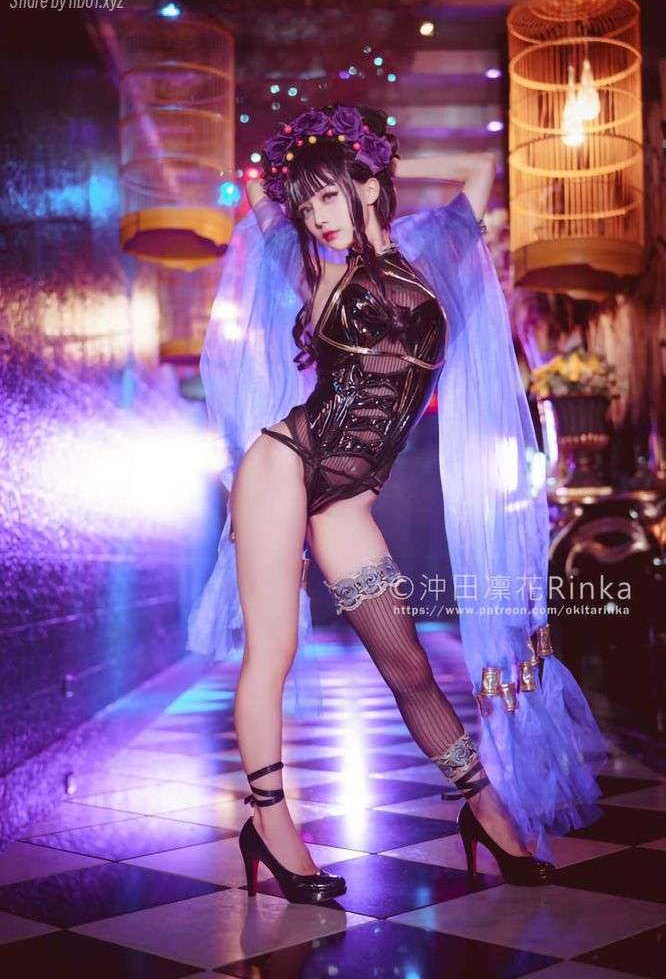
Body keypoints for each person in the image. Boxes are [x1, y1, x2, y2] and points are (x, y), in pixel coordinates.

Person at [188, 105, 607, 904]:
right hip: (284, 463)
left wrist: (371, 162)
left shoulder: (431, 256)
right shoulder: (319, 274)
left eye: (331, 197)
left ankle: (484, 808)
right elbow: (266, 212)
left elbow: (480, 169)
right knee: (272, 653)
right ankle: (270, 823)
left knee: (408, 665)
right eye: (307, 205)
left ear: (369, 185)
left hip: (348, 501)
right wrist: (312, 175)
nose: (318, 217)